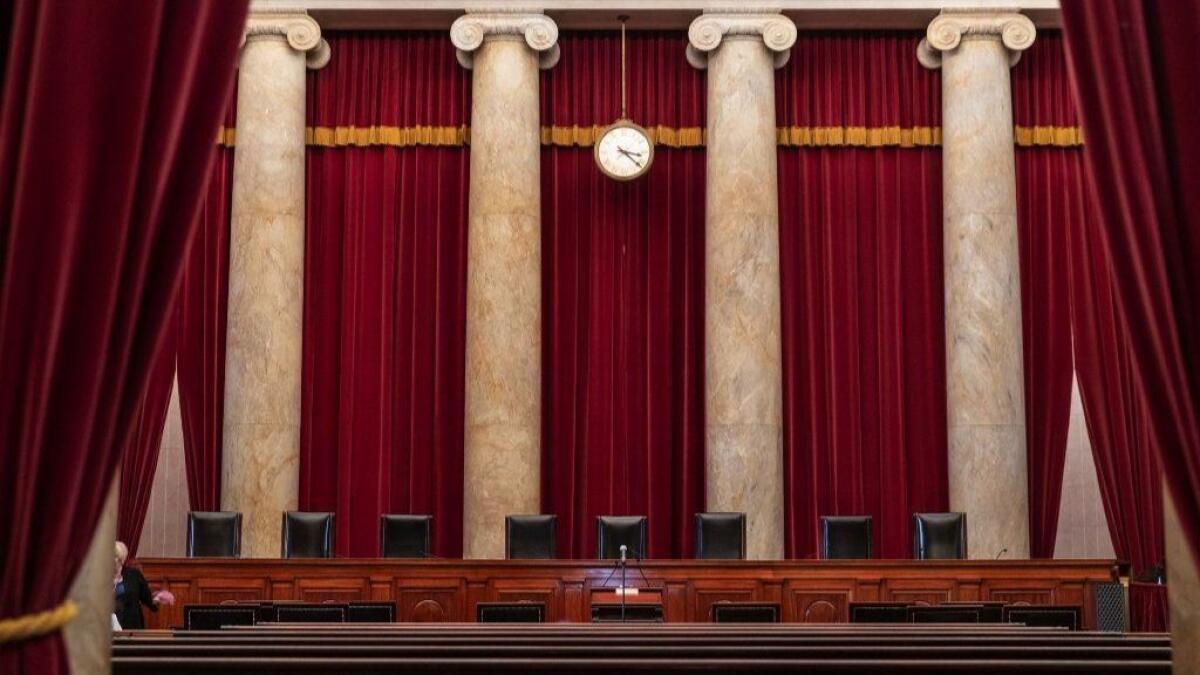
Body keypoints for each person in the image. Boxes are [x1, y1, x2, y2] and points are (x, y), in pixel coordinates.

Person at [113, 541, 174, 630]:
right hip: (107, 630)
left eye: (114, 557)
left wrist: (158, 598)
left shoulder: (134, 576)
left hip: (131, 629)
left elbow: (148, 600)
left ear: (121, 559)